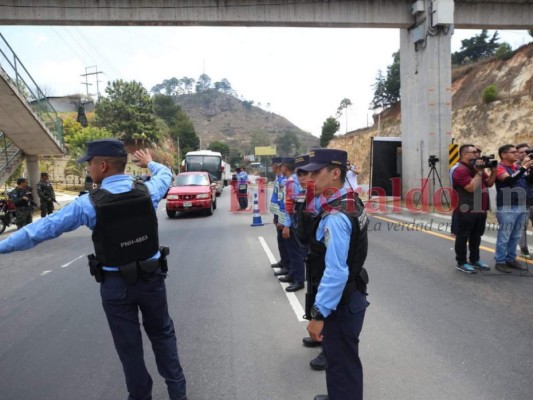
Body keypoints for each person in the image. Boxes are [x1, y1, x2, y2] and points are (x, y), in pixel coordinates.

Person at [0, 139, 187, 400]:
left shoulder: (88, 204)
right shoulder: (148, 191)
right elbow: (166, 174)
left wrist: (2, 247)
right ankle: (178, 394)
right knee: (164, 335)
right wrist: (150, 163)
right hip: (152, 280)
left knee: (129, 348)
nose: (87, 168)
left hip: (116, 287)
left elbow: (39, 230)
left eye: (89, 163)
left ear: (102, 165)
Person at [301, 149, 370, 400]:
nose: (310, 178)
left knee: (342, 362)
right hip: (351, 295)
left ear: (335, 173)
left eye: (316, 172)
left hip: (341, 302)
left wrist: (319, 314)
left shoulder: (336, 216)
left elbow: (336, 272)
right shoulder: (351, 199)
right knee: (342, 360)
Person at [452, 144, 497, 273]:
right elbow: (470, 188)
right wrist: (479, 171)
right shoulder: (460, 170)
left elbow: (489, 183)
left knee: (476, 236)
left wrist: (493, 171)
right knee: (463, 236)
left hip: (480, 208)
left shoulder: (476, 168)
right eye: (474, 152)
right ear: (464, 154)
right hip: (466, 209)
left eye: (478, 152)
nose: (478, 154)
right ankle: (461, 262)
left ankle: (475, 259)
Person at [494, 144, 533, 272]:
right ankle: (500, 261)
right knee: (505, 235)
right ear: (504, 155)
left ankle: (511, 259)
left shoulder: (516, 167)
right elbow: (509, 180)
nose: (517, 154)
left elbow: (527, 181)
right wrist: (523, 167)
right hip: (507, 206)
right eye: (513, 152)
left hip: (521, 204)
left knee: (516, 235)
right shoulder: (499, 168)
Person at [278, 157, 306, 292]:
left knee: (295, 252)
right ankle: (293, 275)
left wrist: (287, 225)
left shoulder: (291, 182)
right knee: (293, 250)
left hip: (294, 221)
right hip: (296, 219)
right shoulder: (294, 180)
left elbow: (290, 205)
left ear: (285, 167)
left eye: (281, 166)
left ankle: (299, 280)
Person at [270, 157, 292, 276]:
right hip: (279, 214)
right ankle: (283, 261)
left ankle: (287, 266)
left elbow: (284, 201)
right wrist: (275, 216)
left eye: (273, 164)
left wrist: (282, 220)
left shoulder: (284, 180)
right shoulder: (279, 178)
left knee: (285, 242)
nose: (272, 167)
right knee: (280, 240)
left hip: (283, 215)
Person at [516, 143, 533, 257]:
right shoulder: (515, 167)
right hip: (522, 202)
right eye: (521, 152)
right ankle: (524, 250)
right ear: (517, 154)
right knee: (522, 226)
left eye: (527, 151)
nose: (525, 154)